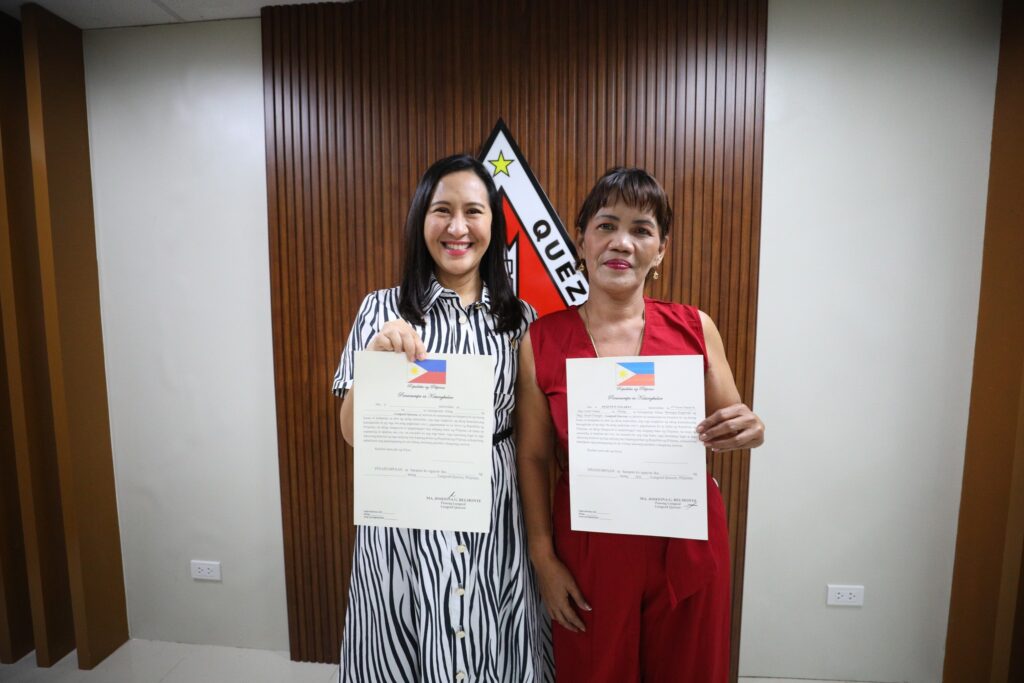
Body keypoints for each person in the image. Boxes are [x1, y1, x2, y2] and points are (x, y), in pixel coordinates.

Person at [516, 167, 765, 682]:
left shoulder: (695, 327)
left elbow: (732, 423)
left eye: (641, 230)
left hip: (686, 543)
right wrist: (543, 558)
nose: (622, 243)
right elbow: (535, 457)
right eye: (606, 226)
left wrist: (750, 429)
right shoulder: (541, 340)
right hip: (590, 550)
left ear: (661, 250)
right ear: (581, 240)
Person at [332, 154, 552, 682]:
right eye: (442, 210)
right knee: (405, 642)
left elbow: (534, 440)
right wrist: (377, 364)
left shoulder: (521, 319)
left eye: (473, 211)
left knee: (492, 641)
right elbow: (352, 434)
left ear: (493, 224)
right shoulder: (381, 309)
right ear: (420, 219)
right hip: (405, 518)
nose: (458, 227)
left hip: (495, 512)